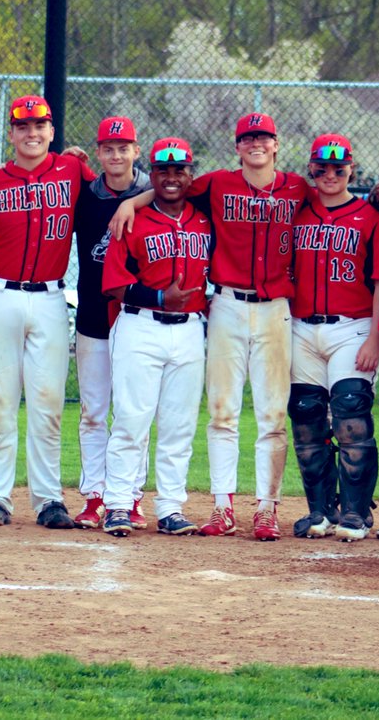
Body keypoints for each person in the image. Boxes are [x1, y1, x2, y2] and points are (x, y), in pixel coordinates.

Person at [111, 112, 310, 541]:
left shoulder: (298, 188)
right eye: (247, 137)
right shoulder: (216, 183)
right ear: (237, 147)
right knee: (222, 414)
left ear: (276, 144)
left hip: (275, 309)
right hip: (226, 307)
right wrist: (132, 201)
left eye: (264, 137)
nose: (256, 143)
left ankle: (266, 508)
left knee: (273, 415)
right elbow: (170, 188)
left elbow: (335, 195)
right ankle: (222, 507)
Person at [0, 95, 94, 529]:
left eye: (39, 125)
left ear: (52, 131)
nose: (32, 133)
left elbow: (112, 196)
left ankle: (48, 499)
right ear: (11, 134)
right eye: (23, 127)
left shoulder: (73, 171)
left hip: (49, 298)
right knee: (0, 402)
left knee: (48, 403)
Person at [99, 137, 210, 537]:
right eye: (163, 170)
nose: (172, 177)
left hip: (190, 332)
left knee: (179, 425)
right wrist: (162, 296)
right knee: (131, 419)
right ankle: (116, 504)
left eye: (180, 169)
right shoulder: (131, 219)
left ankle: (170, 507)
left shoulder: (204, 217)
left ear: (190, 174)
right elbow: (113, 284)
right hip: (140, 324)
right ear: (153, 173)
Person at [287, 134, 379, 541]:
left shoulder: (370, 219)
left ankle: (355, 512)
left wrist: (376, 338)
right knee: (307, 414)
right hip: (301, 326)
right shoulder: (297, 214)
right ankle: (320, 511)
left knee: (350, 412)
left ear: (351, 170)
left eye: (339, 168)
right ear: (311, 170)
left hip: (354, 326)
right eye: (322, 168)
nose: (330, 175)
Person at [70, 116, 152, 530]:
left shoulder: (152, 195)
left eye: (124, 147)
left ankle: (132, 495)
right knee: (94, 412)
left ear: (137, 151)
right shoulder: (85, 195)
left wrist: (133, 201)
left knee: (133, 413)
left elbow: (182, 187)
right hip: (92, 314)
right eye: (109, 148)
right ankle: (95, 495)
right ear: (99, 153)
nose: (117, 154)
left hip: (137, 317)